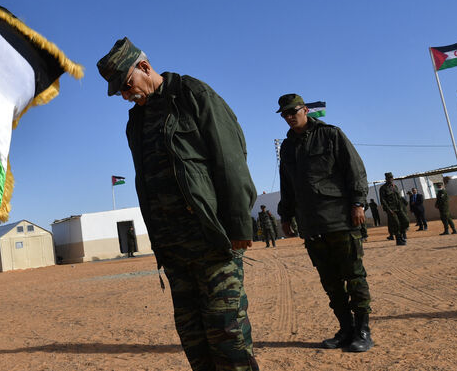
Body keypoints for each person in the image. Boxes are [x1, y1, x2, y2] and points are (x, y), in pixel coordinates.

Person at [97, 38, 259, 370]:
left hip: (211, 240)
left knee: (227, 336)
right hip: (174, 249)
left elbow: (231, 160)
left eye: (127, 86)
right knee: (195, 340)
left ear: (144, 67)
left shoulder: (192, 95)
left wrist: (239, 224)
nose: (126, 96)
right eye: (120, 93)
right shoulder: (136, 122)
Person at [276, 93, 374, 353]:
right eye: (284, 114)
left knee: (354, 277)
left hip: (340, 218)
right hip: (311, 224)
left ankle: (363, 330)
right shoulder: (287, 147)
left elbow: (355, 169)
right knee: (330, 282)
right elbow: (288, 185)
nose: (289, 117)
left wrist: (358, 204)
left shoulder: (331, 135)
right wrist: (286, 215)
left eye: (292, 111)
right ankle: (346, 328)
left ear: (305, 110)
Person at [379, 173, 409, 245]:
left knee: (406, 221)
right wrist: (389, 210)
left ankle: (401, 235)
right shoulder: (383, 188)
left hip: (399, 208)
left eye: (391, 177)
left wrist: (404, 204)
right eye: (389, 178)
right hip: (391, 209)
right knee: (396, 224)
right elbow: (383, 200)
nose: (390, 179)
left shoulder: (395, 187)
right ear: (386, 179)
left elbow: (399, 197)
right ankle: (398, 239)